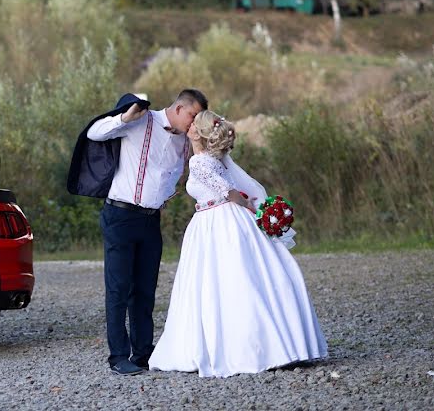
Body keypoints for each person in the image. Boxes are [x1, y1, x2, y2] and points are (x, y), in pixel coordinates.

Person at [149, 110, 328, 377]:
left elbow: (227, 190)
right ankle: (278, 343)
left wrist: (245, 203)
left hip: (215, 221)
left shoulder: (199, 162)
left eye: (192, 125)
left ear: (198, 132)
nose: (188, 127)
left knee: (221, 282)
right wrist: (252, 210)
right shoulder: (216, 158)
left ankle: (242, 347)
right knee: (248, 277)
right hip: (227, 219)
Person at [71, 89, 208, 376]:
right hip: (120, 214)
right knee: (119, 289)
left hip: (151, 220)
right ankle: (118, 356)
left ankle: (143, 353)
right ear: (180, 108)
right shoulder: (141, 119)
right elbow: (95, 133)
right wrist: (123, 118)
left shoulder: (187, 139)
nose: (194, 122)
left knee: (145, 290)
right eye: (193, 115)